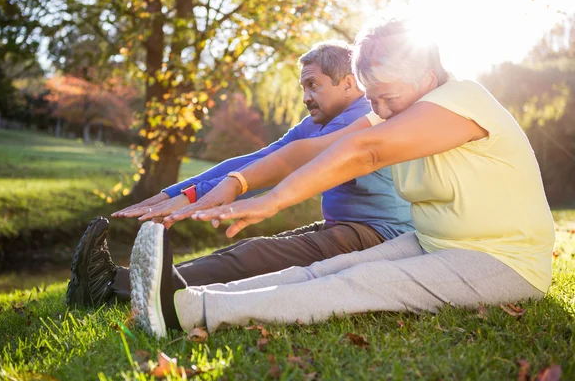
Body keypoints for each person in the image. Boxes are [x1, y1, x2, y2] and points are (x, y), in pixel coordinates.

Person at [128, 20, 555, 338]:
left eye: (388, 97)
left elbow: (363, 152)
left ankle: (189, 314)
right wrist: (238, 182)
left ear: (426, 79)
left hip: (504, 261)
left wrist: (273, 201)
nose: (380, 110)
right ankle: (177, 296)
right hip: (436, 242)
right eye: (372, 98)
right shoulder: (397, 107)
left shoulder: (463, 100)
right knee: (327, 269)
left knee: (360, 284)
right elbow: (302, 151)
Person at [65, 40, 413, 308]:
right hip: (349, 229)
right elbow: (259, 159)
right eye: (303, 87)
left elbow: (291, 161)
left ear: (349, 83)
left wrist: (206, 193)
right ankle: (123, 282)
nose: (305, 97)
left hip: (381, 236)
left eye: (313, 85)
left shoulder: (368, 114)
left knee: (257, 255)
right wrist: (177, 192)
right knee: (253, 249)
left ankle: (115, 288)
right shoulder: (315, 123)